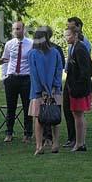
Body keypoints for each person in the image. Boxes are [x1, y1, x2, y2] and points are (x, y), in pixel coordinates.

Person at [27, 26, 65, 155]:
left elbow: (34, 75)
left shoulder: (32, 54)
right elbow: (58, 71)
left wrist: (41, 91)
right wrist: (54, 87)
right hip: (55, 91)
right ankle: (55, 144)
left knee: (38, 119)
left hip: (38, 92)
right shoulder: (55, 52)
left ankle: (39, 146)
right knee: (55, 117)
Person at [1, 21, 33, 143]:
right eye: (14, 29)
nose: (16, 31)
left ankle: (28, 134)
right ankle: (9, 132)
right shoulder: (9, 44)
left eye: (18, 29)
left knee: (27, 107)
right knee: (11, 107)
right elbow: (5, 60)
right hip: (12, 78)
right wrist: (5, 76)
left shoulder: (31, 44)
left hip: (26, 78)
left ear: (23, 29)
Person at [63, 17, 92, 149]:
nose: (66, 38)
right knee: (76, 114)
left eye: (68, 35)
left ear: (75, 34)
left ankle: (80, 143)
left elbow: (87, 70)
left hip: (79, 88)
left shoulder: (81, 48)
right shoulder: (74, 47)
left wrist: (77, 85)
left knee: (78, 115)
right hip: (73, 86)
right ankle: (79, 142)